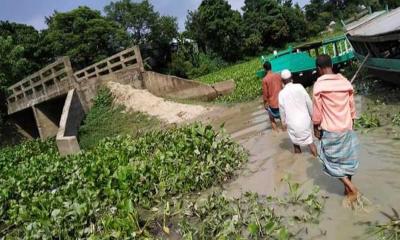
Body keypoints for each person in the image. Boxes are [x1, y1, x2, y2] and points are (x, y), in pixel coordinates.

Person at [312, 54, 359, 201]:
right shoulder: (345, 82)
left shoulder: (319, 86)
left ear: (319, 69)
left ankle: (351, 188)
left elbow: (317, 113)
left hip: (331, 131)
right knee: (347, 161)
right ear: (331, 65)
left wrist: (315, 128)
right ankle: (348, 192)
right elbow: (352, 107)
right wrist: (352, 122)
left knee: (328, 160)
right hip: (347, 127)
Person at [278, 69, 317, 156]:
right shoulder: (299, 86)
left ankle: (298, 162)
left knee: (295, 144)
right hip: (305, 121)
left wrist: (283, 123)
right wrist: (312, 115)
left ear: (282, 81)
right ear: (292, 77)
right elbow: (309, 102)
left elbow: (282, 110)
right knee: (310, 142)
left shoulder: (281, 94)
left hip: (292, 124)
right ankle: (316, 157)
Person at [262, 61, 283, 131]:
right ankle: (284, 131)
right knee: (282, 118)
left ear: (264, 69)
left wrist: (265, 103)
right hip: (280, 101)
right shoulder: (278, 75)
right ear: (271, 67)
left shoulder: (265, 79)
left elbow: (265, 94)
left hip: (272, 103)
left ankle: (276, 134)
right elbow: (281, 87)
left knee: (272, 119)